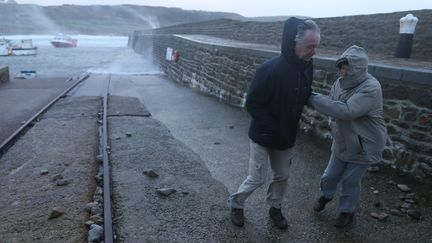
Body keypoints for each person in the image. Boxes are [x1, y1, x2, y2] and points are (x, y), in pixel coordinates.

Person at [227, 17, 320, 229]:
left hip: (286, 136)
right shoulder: (269, 69)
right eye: (310, 46)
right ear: (293, 43)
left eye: (316, 46)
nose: (313, 51)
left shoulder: (307, 67)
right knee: (257, 178)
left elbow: (304, 94)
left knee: (283, 176)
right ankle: (236, 204)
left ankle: (275, 208)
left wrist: (322, 102)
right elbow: (252, 103)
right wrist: (273, 128)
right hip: (263, 134)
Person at [309, 45, 387, 228]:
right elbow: (331, 103)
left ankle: (347, 211)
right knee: (330, 175)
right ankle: (326, 195)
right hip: (343, 138)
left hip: (365, 143)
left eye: (348, 68)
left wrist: (311, 97)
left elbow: (347, 111)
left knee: (351, 180)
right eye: (341, 67)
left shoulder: (371, 87)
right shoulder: (339, 82)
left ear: (359, 69)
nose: (343, 72)